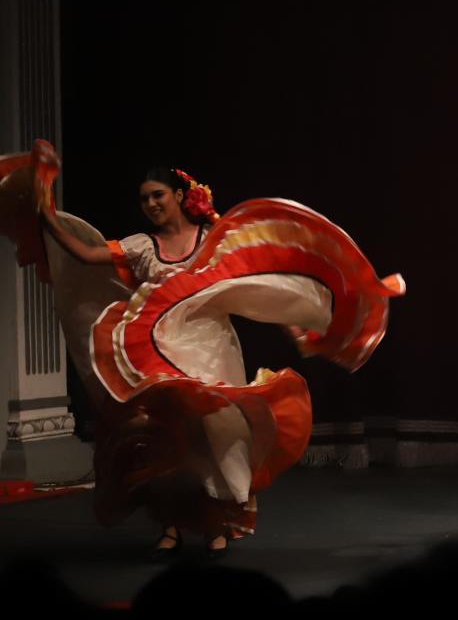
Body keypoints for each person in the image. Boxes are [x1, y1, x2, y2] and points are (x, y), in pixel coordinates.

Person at [14, 153, 402, 554]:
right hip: (159, 354)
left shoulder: (211, 239)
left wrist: (295, 329)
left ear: (181, 195)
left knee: (216, 435)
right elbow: (85, 254)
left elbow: (255, 285)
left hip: (213, 350)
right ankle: (171, 526)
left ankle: (218, 524)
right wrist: (47, 216)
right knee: (169, 439)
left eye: (158, 195)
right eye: (144, 198)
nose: (150, 204)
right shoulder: (142, 247)